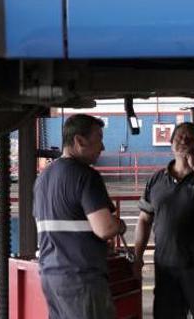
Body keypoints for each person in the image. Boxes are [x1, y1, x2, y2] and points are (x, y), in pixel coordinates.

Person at [34, 114, 127, 319]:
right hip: (82, 280)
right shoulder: (86, 176)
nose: (102, 147)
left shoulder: (43, 178)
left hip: (51, 278)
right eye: (99, 138)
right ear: (79, 141)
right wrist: (120, 225)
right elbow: (105, 229)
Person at [134, 122, 194, 318]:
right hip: (166, 269)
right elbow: (144, 220)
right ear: (171, 144)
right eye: (179, 137)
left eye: (191, 138)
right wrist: (137, 257)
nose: (184, 141)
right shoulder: (156, 180)